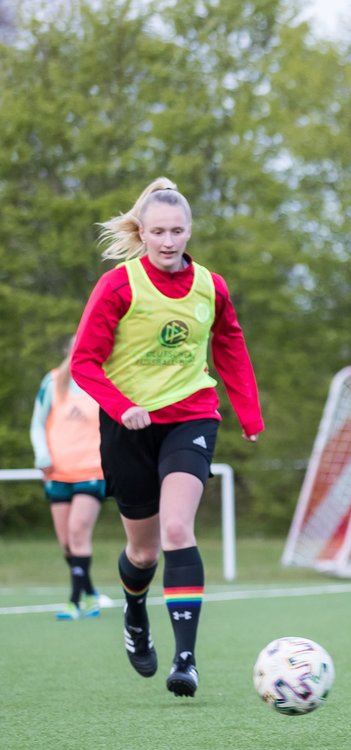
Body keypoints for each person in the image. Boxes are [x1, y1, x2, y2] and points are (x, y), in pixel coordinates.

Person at [71, 178, 263, 698]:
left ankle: (186, 659)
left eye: (177, 230)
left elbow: (230, 345)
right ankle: (135, 611)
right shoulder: (118, 285)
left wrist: (248, 413)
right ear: (143, 231)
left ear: (189, 230)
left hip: (191, 416)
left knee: (179, 528)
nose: (168, 240)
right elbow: (83, 363)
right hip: (127, 426)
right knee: (143, 553)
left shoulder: (211, 285)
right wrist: (122, 406)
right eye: (158, 231)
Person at [30, 340, 112, 620]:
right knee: (67, 542)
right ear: (68, 351)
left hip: (91, 472)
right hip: (57, 473)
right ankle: (90, 592)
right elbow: (38, 424)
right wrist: (42, 455)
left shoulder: (104, 382)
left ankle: (73, 601)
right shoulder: (53, 382)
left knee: (78, 532)